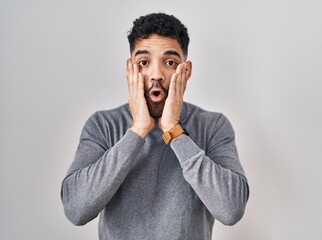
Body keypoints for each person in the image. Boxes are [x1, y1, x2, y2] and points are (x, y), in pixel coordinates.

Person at [61, 12, 249, 240]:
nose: (156, 75)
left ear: (186, 71)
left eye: (170, 63)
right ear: (130, 69)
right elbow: (75, 209)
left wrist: (174, 131)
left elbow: (231, 209)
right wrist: (137, 131)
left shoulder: (213, 126)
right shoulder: (102, 125)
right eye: (143, 63)